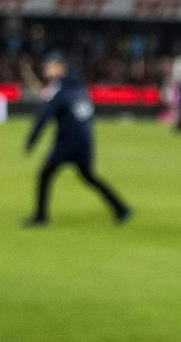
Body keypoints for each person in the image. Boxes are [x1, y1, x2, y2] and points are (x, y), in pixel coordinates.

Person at [22, 52, 132, 227]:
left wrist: (31, 140)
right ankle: (122, 209)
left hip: (67, 142)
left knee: (45, 173)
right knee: (88, 176)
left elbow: (44, 116)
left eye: (50, 64)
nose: (46, 67)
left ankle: (40, 217)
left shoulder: (59, 90)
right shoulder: (79, 86)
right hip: (85, 141)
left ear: (60, 67)